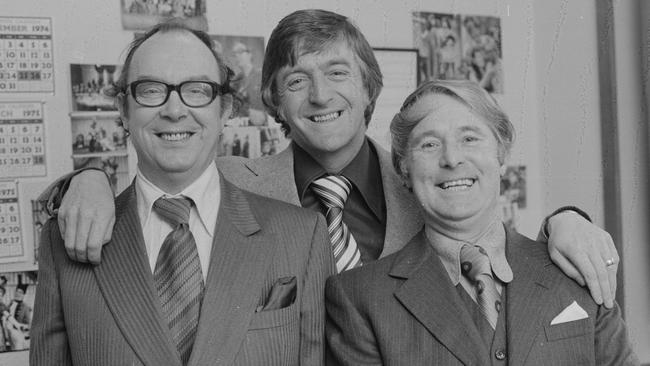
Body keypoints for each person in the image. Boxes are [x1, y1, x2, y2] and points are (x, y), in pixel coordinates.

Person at [42, 9, 618, 306]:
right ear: (273, 102)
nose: (321, 96)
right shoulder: (233, 183)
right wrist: (89, 177)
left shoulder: (426, 179)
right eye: (297, 80)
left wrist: (566, 219)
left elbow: (496, 240)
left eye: (338, 73)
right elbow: (160, 177)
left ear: (370, 88)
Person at [30, 21, 333, 366]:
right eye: (150, 90)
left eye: (198, 90)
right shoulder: (66, 241)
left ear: (226, 110)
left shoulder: (302, 236)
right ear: (122, 110)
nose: (174, 111)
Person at [325, 80, 638, 365]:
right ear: (404, 169)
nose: (452, 159)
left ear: (501, 154)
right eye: (429, 144)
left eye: (470, 138)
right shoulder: (360, 297)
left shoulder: (579, 267)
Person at [230, 41, 267, 126]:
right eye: (234, 54)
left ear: (249, 54)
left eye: (240, 51)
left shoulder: (261, 76)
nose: (237, 56)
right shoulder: (235, 82)